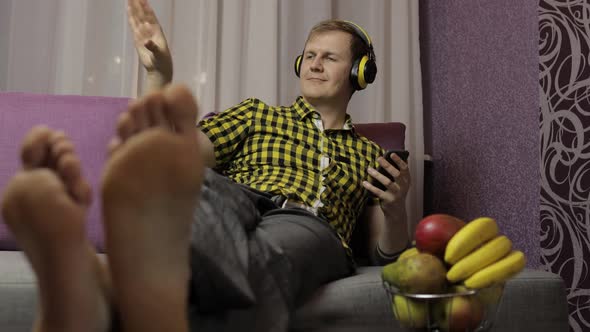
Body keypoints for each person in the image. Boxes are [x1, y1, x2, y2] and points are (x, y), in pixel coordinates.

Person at [0, 1, 411, 331]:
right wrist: (159, 76)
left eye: (330, 58)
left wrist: (395, 208)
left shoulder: (370, 156)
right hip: (234, 199)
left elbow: (385, 256)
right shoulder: (256, 115)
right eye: (309, 55)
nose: (314, 64)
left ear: (360, 73)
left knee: (266, 257)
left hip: (307, 221)